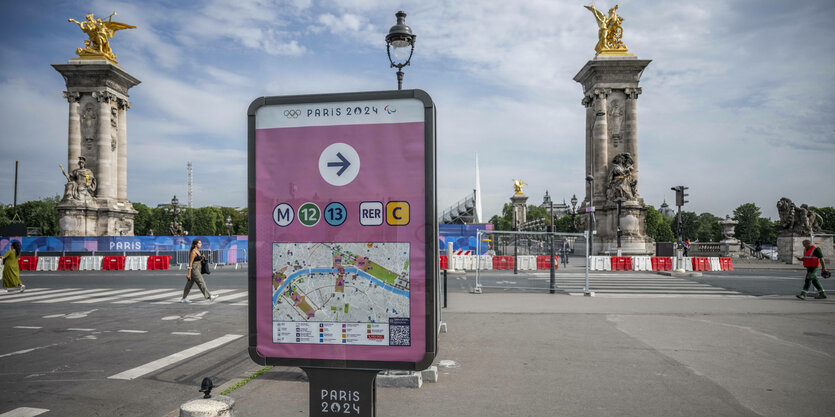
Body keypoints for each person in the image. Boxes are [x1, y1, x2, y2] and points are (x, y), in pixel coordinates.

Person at [181, 239, 218, 303]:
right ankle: (209, 296)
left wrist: (201, 256)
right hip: (194, 268)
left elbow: (197, 259)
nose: (201, 244)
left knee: (189, 284)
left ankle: (183, 298)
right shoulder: (193, 252)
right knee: (201, 282)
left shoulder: (197, 251)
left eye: (200, 243)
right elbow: (190, 263)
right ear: (195, 244)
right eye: (199, 243)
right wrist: (189, 273)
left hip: (198, 267)